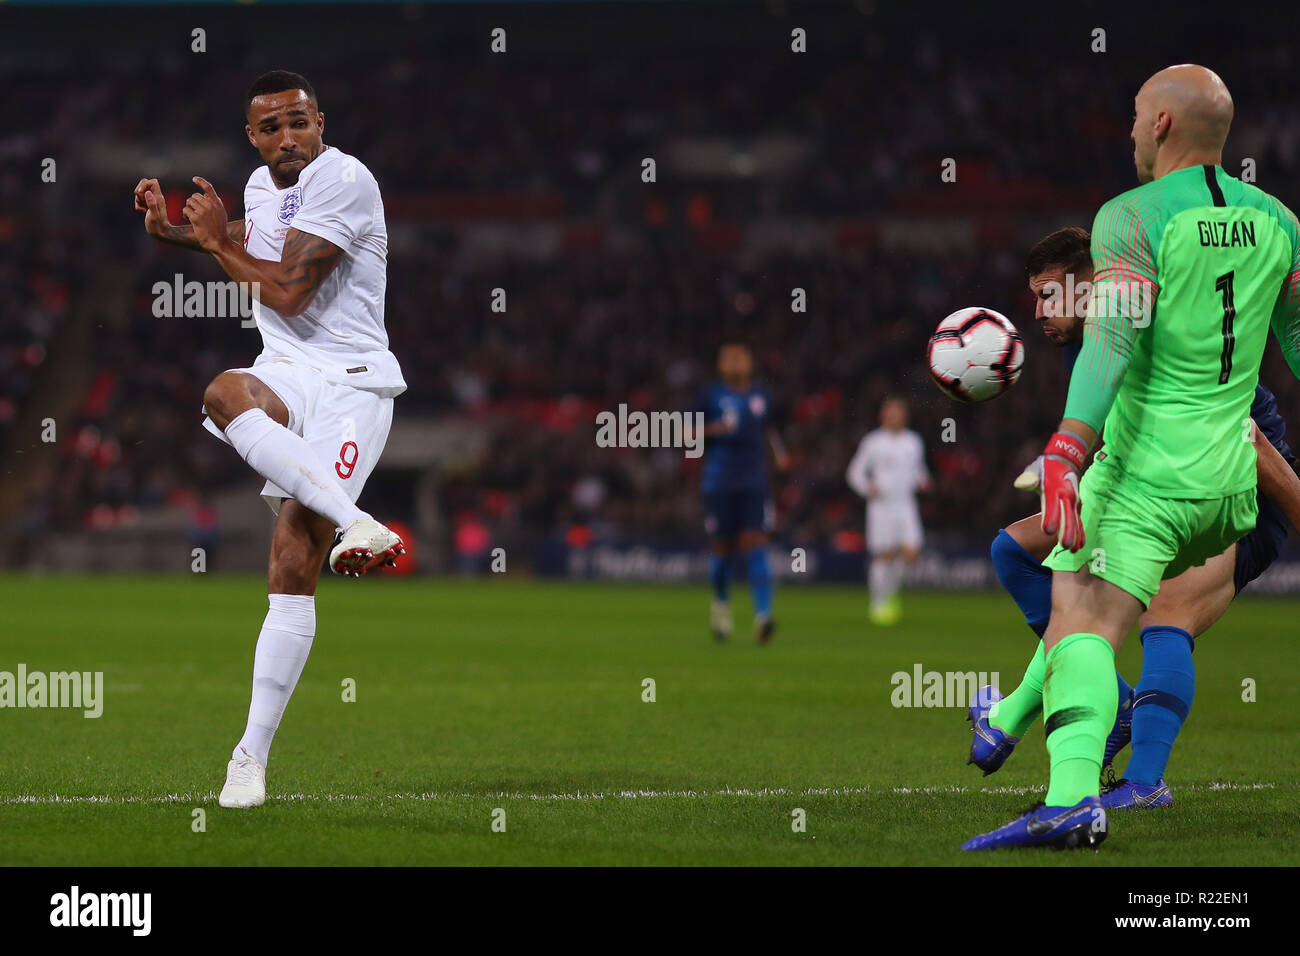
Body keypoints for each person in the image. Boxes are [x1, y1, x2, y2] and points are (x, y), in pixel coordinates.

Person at [964, 64, 1300, 850]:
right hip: (1226, 482)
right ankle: (1033, 740)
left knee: (1078, 614)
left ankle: (1074, 798)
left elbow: (1110, 339)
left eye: (1135, 117)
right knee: (1110, 611)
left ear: (1159, 126)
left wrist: (1066, 445)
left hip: (1152, 468)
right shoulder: (1281, 222)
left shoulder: (1131, 217)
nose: (1127, 132)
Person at [134, 70, 407, 809]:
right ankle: (357, 521)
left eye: (299, 122)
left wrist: (216, 241)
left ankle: (251, 756)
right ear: (250, 138)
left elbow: (285, 290)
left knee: (292, 566)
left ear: (322, 121)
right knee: (225, 391)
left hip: (351, 385)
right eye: (271, 128)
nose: (288, 138)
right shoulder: (259, 188)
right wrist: (183, 235)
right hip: (287, 370)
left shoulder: (345, 178)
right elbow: (248, 257)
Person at [845, 397, 931, 625]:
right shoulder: (873, 442)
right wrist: (867, 488)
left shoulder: (913, 441)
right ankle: (877, 603)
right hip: (881, 506)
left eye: (899, 412)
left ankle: (889, 595)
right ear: (883, 415)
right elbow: (854, 472)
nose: (895, 416)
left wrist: (923, 480)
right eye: (891, 412)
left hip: (906, 504)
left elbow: (917, 470)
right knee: (884, 555)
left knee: (911, 552)